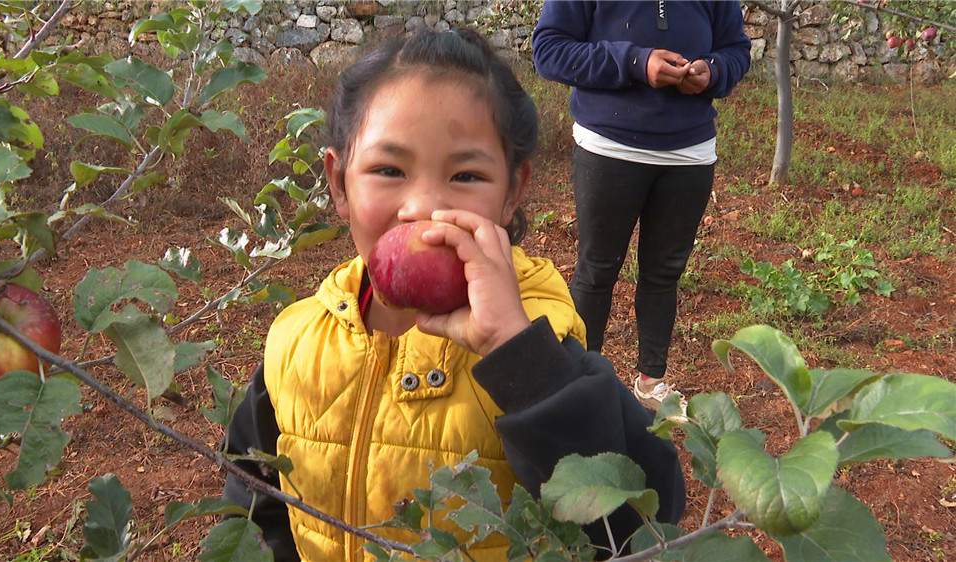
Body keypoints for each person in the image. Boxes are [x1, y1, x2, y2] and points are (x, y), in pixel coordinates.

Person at [222, 29, 685, 561]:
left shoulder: (539, 343)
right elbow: (254, 500)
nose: (422, 207)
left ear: (511, 192)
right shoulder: (297, 341)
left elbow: (643, 521)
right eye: (388, 170)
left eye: (465, 175)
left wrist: (520, 359)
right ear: (338, 182)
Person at [532, 1, 751, 412]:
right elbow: (549, 50)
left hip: (689, 155)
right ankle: (583, 382)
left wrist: (714, 71)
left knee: (664, 272)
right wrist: (635, 61)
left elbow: (737, 50)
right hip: (609, 147)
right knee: (597, 268)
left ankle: (652, 381)